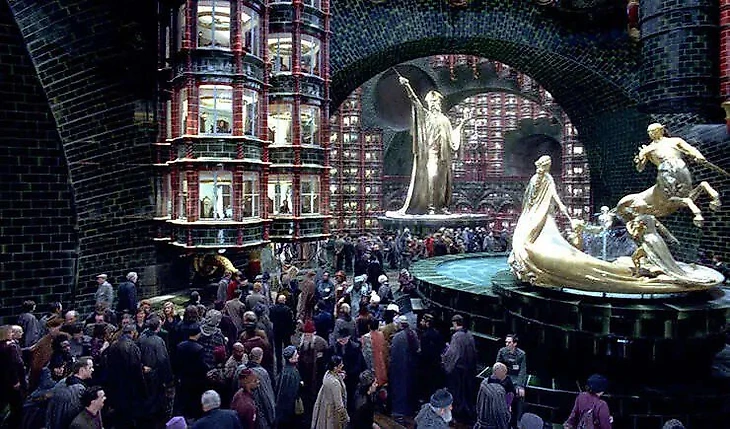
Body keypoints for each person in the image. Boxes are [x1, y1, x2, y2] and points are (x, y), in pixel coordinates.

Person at [396, 75, 470, 215]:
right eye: (432, 102)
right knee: (432, 176)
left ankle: (441, 206)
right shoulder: (427, 116)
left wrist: (463, 122)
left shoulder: (445, 120)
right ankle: (430, 206)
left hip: (444, 156)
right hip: (432, 153)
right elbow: (415, 101)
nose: (434, 104)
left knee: (443, 182)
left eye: (436, 102)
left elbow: (453, 136)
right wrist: (407, 85)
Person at [442, 314, 476, 424]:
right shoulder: (469, 334)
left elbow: (452, 354)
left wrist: (446, 364)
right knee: (466, 394)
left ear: (455, 323)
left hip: (458, 371)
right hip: (469, 370)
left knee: (457, 394)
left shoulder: (457, 336)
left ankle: (457, 416)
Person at [46, 357, 94, 429]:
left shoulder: (62, 381)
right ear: (82, 370)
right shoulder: (79, 389)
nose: (92, 370)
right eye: (90, 368)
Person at [389, 315, 420, 423]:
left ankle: (399, 412)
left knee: (399, 389)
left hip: (400, 368)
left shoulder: (398, 337)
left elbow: (393, 355)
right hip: (411, 368)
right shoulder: (413, 333)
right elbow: (417, 349)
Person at [496, 334, 527, 427]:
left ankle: (518, 420)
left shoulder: (521, 354)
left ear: (515, 344)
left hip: (516, 378)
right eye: (506, 342)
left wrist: (520, 385)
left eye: (509, 342)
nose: (507, 344)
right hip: (505, 376)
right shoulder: (502, 351)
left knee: (520, 394)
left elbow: (522, 371)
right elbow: (497, 366)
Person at [311, 355, 349, 429]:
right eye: (340, 365)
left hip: (325, 407)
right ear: (335, 368)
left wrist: (340, 376)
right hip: (332, 412)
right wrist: (345, 418)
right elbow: (339, 404)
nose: (343, 366)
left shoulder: (327, 374)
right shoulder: (334, 383)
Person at [276, 346, 302, 427]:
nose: (298, 356)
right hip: (289, 410)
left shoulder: (285, 370)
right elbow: (290, 394)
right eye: (296, 355)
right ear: (290, 359)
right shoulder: (291, 373)